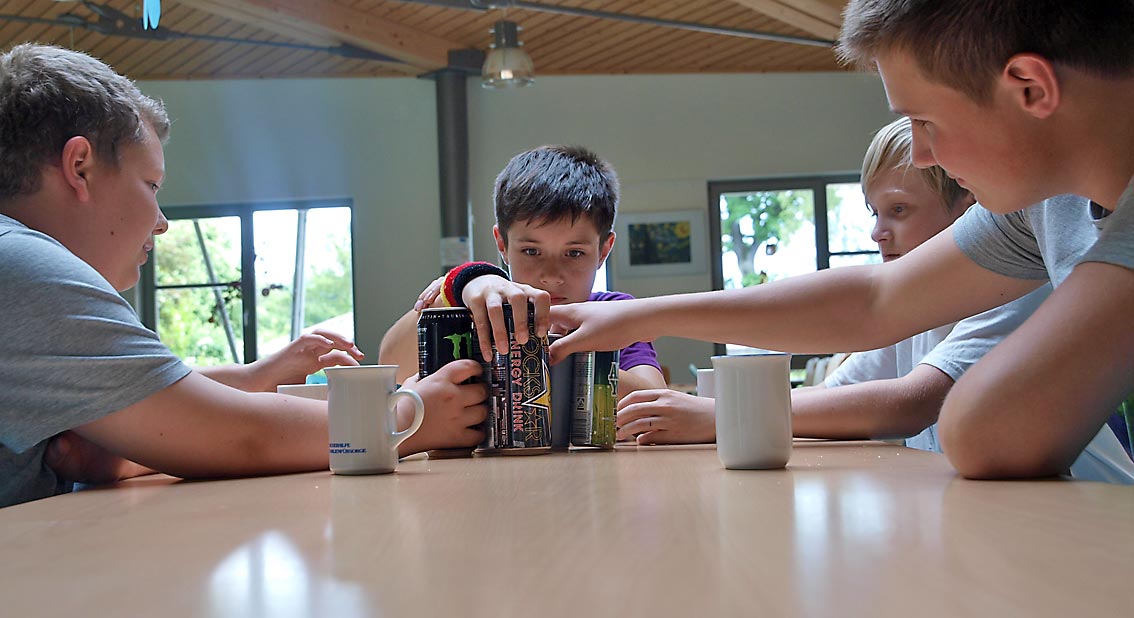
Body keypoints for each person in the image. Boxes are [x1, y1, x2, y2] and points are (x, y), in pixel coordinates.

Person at [550, 1, 1134, 481]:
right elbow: (876, 300)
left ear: (1029, 88)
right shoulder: (1046, 204)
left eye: (926, 122)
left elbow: (987, 431)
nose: (923, 152)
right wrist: (640, 317)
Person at [0, 44, 487, 508]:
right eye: (150, 185)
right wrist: (407, 417)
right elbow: (237, 435)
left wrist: (258, 377)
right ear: (79, 167)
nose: (161, 220)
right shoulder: (21, 268)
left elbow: (156, 401)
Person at [613, 118, 1132, 482]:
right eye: (874, 212)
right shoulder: (1020, 230)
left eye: (900, 210)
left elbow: (914, 401)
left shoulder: (1023, 270)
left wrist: (723, 416)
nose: (879, 232)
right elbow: (863, 329)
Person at [379, 145, 666, 395]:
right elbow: (390, 366)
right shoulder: (477, 313)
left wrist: (563, 353)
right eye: (532, 251)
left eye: (574, 253)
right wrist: (462, 284)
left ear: (604, 251)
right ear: (502, 244)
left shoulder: (614, 313)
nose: (552, 275)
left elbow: (655, 399)